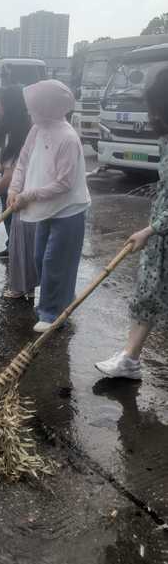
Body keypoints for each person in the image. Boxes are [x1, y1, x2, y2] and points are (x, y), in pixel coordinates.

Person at [96, 67, 168, 380]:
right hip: (161, 232)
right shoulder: (166, 139)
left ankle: (129, 358)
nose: (151, 116)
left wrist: (150, 229)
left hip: (160, 229)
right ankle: (130, 358)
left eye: (155, 108)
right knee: (147, 294)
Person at [8, 79, 91, 333]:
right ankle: (61, 299)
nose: (30, 112)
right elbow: (22, 161)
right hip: (44, 207)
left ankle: (53, 313)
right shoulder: (37, 129)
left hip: (68, 209)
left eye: (34, 107)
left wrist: (28, 195)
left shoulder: (67, 138)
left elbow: (64, 183)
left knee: (56, 260)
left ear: (48, 107)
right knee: (40, 257)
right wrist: (14, 188)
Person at [0, 86, 38, 299]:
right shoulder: (12, 126)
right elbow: (9, 165)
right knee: (17, 240)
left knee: (23, 241)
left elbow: (11, 174)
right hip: (16, 189)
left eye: (0, 102)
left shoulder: (22, 129)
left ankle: (25, 287)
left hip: (22, 192)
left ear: (10, 104)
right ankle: (24, 286)